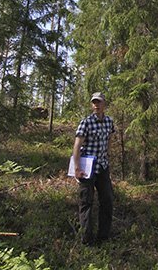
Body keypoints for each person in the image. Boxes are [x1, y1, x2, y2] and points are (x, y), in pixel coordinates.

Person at [72, 92, 115, 246]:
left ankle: (103, 237)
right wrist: (77, 168)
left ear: (104, 104)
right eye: (94, 102)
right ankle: (87, 241)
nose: (96, 105)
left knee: (107, 201)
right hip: (87, 169)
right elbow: (77, 146)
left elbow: (110, 138)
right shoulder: (86, 123)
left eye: (99, 102)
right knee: (86, 203)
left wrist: (107, 155)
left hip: (102, 167)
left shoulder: (109, 122)